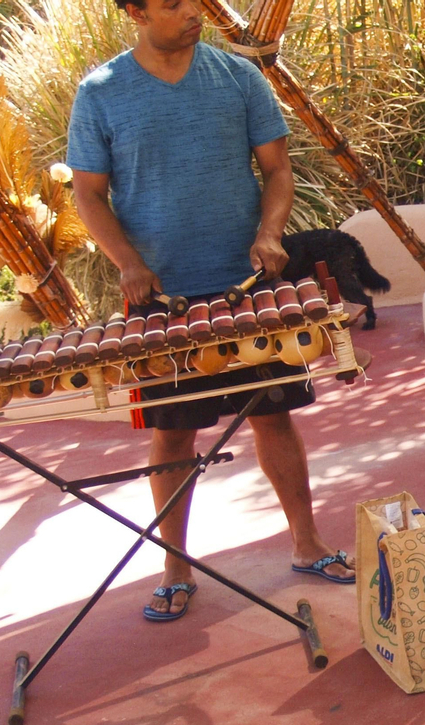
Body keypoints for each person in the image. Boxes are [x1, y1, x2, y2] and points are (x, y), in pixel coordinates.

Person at [69, 0, 352, 622]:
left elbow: (277, 170)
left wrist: (271, 232)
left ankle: (306, 542)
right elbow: (87, 194)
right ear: (135, 12)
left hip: (247, 287)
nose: (191, 12)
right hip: (161, 300)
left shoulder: (238, 77)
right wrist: (126, 263)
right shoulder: (101, 93)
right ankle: (175, 566)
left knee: (274, 418)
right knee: (174, 431)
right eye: (172, 4)